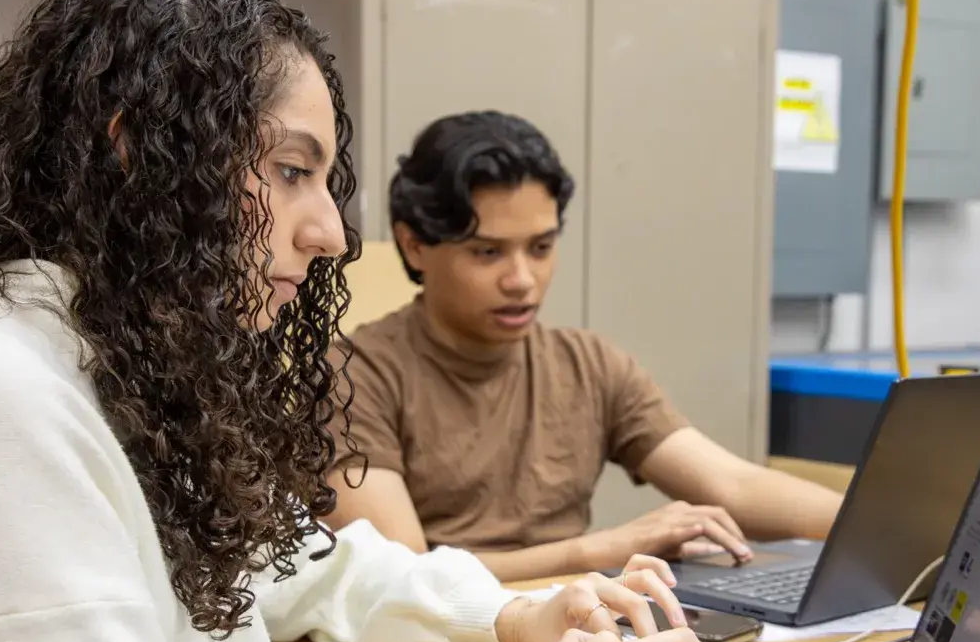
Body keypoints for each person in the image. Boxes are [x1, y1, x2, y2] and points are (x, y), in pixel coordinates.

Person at [0, 0, 764, 642]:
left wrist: (511, 614)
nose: (332, 234)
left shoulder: (115, 361)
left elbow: (303, 566)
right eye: (290, 170)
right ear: (138, 154)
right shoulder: (1, 392)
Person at [323, 111, 846, 582]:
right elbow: (400, 574)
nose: (523, 280)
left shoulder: (588, 365)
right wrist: (600, 551)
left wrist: (895, 531)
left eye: (542, 248)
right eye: (488, 253)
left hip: (574, 637)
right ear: (414, 244)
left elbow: (734, 486)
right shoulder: (353, 375)